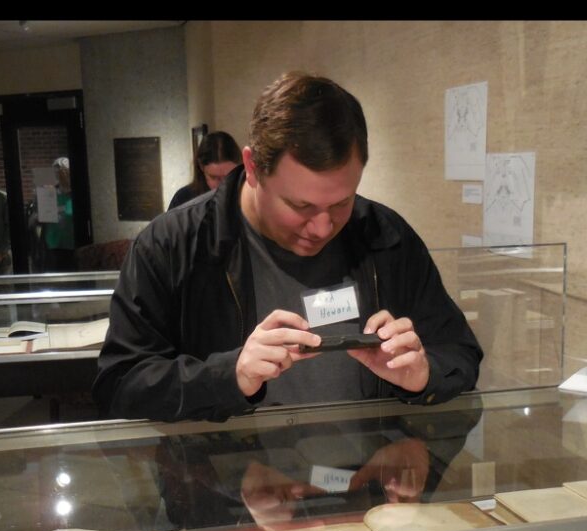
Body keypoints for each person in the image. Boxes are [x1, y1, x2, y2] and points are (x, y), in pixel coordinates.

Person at [95, 71, 482, 423]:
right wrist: (231, 376)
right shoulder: (171, 244)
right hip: (225, 489)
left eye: (342, 202)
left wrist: (421, 374)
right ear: (250, 167)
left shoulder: (387, 236)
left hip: (369, 488)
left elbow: (461, 355)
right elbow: (120, 385)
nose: (322, 227)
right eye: (300, 206)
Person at [167, 131, 242, 210]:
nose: (223, 184)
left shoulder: (248, 197)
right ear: (201, 167)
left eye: (229, 176)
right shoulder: (183, 199)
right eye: (214, 177)